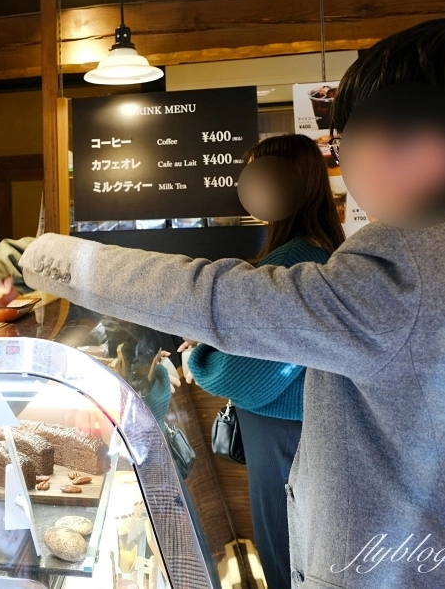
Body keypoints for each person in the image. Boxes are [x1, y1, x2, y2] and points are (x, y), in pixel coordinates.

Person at [0, 20, 445, 587]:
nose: (345, 161)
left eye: (345, 139)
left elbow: (216, 300)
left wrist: (33, 256)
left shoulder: (417, 263)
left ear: (422, 143)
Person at [185, 134, 345, 589]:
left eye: (261, 173)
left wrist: (200, 353)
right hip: (306, 426)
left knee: (285, 549)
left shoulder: (292, 261)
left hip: (283, 434)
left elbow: (247, 374)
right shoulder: (320, 251)